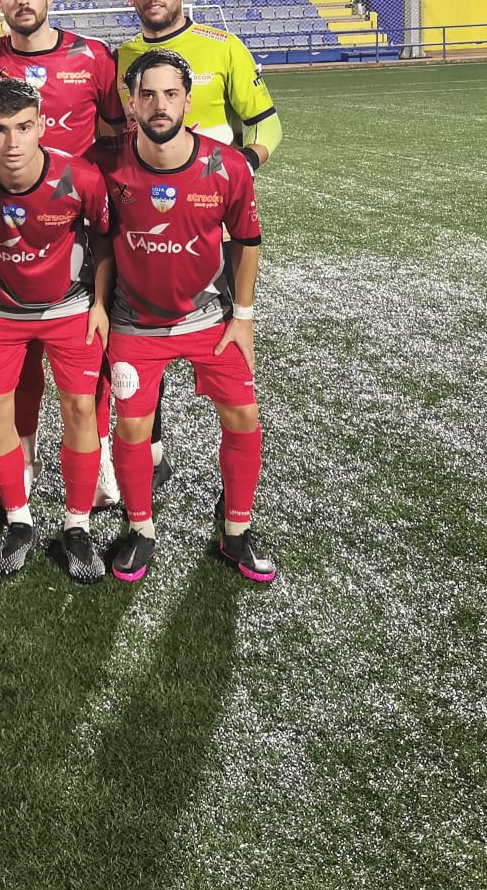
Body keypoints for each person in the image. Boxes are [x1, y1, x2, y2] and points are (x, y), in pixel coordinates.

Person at [90, 49, 276, 584]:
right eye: (147, 94)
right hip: (134, 323)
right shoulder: (107, 163)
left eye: (171, 94)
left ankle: (236, 530)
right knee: (132, 429)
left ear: (188, 101)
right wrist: (99, 306)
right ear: (131, 103)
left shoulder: (228, 166)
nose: (159, 104)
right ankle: (139, 529)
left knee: (243, 417)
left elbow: (247, 241)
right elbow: (97, 237)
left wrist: (243, 315)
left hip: (209, 320)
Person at [0, 0, 127, 507]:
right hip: (8, 224)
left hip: (76, 220)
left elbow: (115, 133)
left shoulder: (93, 57)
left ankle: (98, 456)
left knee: (88, 353)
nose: (22, 0)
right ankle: (23, 461)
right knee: (19, 351)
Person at [114, 0, 282, 491]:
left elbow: (267, 124)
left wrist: (243, 168)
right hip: (145, 218)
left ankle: (235, 484)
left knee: (226, 335)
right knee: (141, 328)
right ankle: (153, 450)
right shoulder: (120, 58)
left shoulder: (223, 46)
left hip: (217, 221)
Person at [0, 78, 114, 581]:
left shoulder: (80, 178)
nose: (12, 143)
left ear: (41, 125)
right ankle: (19, 519)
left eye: (23, 128)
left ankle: (77, 525)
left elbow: (105, 242)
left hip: (69, 309)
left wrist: (101, 304)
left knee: (81, 408)